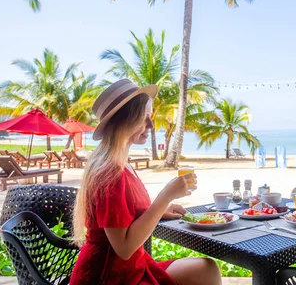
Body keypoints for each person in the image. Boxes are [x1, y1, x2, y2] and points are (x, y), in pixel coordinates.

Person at [70, 79, 222, 285]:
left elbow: (124, 217)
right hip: (109, 276)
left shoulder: (121, 163)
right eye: (145, 118)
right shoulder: (110, 174)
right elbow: (123, 248)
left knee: (207, 269)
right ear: (125, 121)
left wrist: (160, 209)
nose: (151, 125)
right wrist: (165, 196)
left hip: (133, 266)